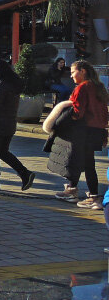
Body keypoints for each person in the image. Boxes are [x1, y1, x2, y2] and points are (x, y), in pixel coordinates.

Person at [55, 60, 109, 208]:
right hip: (97, 131)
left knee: (81, 162)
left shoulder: (82, 88)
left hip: (83, 130)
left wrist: (65, 119)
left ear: (83, 71)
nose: (71, 76)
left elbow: (77, 113)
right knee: (84, 161)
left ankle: (92, 196)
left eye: (73, 72)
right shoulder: (99, 87)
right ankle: (73, 189)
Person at [0, 59, 35, 191]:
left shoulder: (0, 85)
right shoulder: (10, 84)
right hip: (7, 124)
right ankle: (25, 173)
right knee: (2, 152)